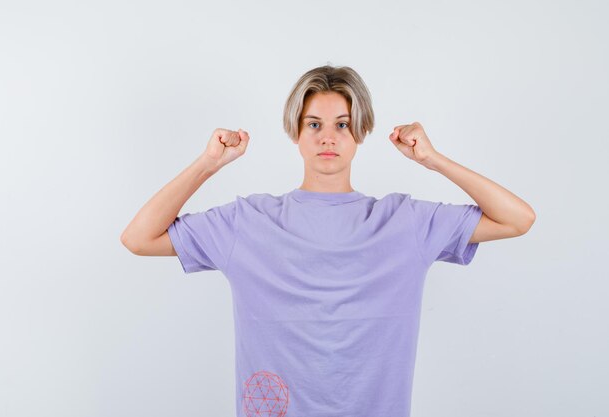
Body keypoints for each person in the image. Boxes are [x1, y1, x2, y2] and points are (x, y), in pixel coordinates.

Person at [121, 64, 536, 417]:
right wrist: (208, 164)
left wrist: (433, 160)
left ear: (360, 132)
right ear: (295, 133)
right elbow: (139, 238)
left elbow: (518, 219)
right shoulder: (247, 222)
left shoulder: (404, 221)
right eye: (314, 124)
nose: (328, 137)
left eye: (342, 125)